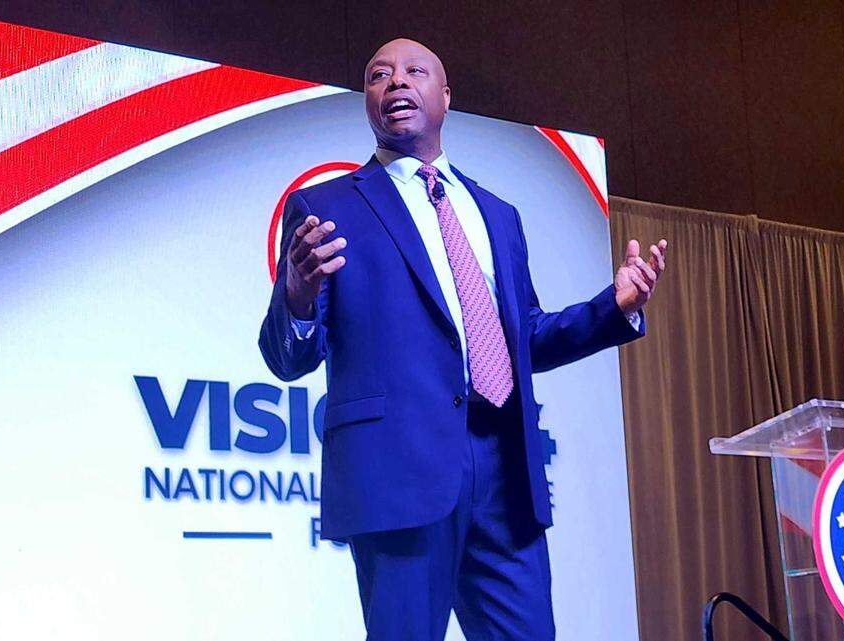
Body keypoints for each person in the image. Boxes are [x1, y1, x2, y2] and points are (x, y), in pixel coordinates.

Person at [259, 38, 668, 641]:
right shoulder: (326, 207)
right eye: (378, 75)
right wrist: (296, 293)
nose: (396, 82)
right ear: (367, 100)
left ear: (446, 96)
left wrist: (615, 306)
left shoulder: (497, 214)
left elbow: (524, 340)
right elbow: (289, 356)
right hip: (398, 476)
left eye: (414, 71)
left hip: (507, 475)